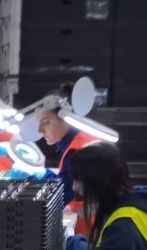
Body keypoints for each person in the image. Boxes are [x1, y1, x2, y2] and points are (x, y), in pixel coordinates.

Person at [34, 86, 101, 234]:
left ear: (65, 118)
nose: (40, 130)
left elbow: (61, 195)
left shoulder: (77, 151)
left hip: (88, 229)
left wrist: (37, 174)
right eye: (38, 123)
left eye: (45, 122)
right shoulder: (81, 138)